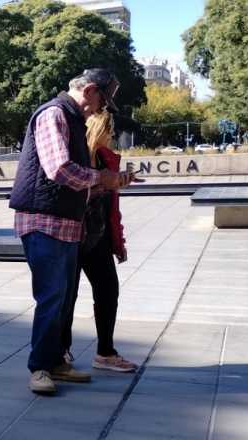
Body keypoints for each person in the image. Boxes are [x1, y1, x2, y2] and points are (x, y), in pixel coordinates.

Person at [9, 68, 135, 395]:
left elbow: (76, 180)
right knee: (52, 297)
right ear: (90, 90)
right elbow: (59, 169)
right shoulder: (54, 114)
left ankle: (54, 363)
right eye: (102, 102)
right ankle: (39, 368)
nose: (101, 110)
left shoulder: (73, 120)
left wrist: (112, 181)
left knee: (63, 299)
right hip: (43, 221)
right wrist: (101, 178)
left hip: (64, 224)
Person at [60, 110, 143, 374]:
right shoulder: (74, 158)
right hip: (70, 235)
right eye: (110, 131)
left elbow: (112, 206)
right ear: (99, 129)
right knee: (66, 295)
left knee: (108, 290)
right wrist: (101, 186)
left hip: (98, 237)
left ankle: (105, 352)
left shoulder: (107, 159)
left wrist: (118, 241)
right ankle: (60, 350)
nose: (113, 136)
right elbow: (65, 193)